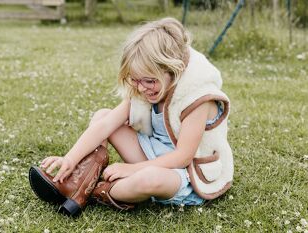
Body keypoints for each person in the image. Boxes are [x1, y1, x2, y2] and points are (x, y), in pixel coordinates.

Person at [40, 17, 234, 207]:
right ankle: (79, 182)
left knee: (148, 179)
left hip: (183, 173)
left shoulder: (195, 98)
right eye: (135, 80)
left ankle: (97, 192)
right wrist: (70, 158)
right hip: (152, 152)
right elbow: (105, 126)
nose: (141, 88)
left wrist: (132, 169)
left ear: (174, 71)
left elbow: (183, 156)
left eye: (149, 81)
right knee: (103, 115)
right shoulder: (146, 86)